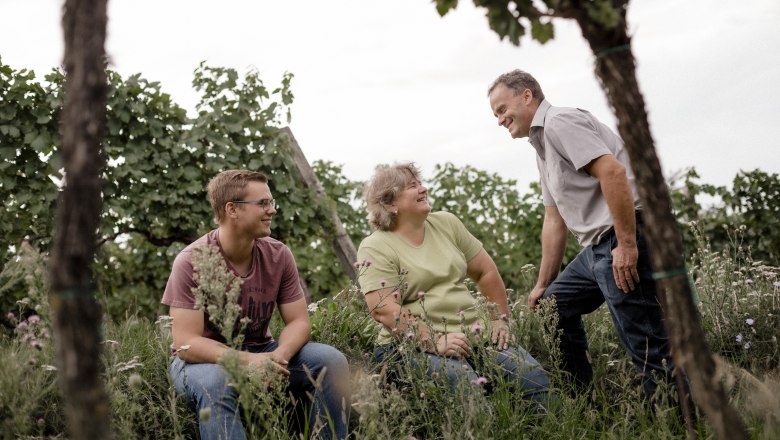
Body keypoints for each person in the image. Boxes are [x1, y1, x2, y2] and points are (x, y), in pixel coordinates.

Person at [487, 69, 675, 398]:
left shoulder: (561, 122)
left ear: (527, 96)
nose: (500, 120)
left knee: (647, 348)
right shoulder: (541, 146)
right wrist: (543, 283)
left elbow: (613, 172)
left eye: (503, 109)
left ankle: (679, 424)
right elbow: (554, 219)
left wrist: (627, 244)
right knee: (552, 307)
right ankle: (584, 402)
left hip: (625, 235)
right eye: (496, 114)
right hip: (597, 250)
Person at [162, 169, 350, 440]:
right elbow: (186, 343)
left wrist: (278, 356)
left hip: (266, 351)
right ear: (232, 210)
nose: (271, 210)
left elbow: (298, 321)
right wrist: (249, 361)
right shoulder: (191, 260)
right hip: (202, 362)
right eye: (263, 203)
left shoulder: (278, 254)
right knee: (218, 384)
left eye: (271, 202)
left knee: (330, 361)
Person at [356, 162, 553, 411]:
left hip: (474, 334)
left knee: (533, 378)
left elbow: (485, 271)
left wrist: (497, 318)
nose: (423, 189)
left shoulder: (447, 223)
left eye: (420, 183)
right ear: (390, 203)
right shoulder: (376, 246)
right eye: (412, 186)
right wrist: (433, 340)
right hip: (409, 346)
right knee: (464, 388)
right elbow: (383, 308)